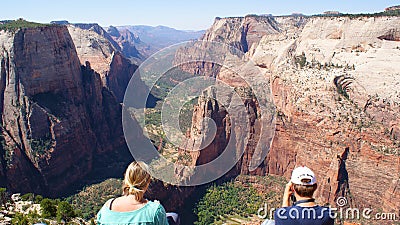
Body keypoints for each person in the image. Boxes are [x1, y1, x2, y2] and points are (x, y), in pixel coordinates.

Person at [96, 161, 169, 225]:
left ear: (126, 179)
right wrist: (156, 208)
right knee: (174, 216)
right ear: (147, 182)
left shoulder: (107, 207)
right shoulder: (154, 211)